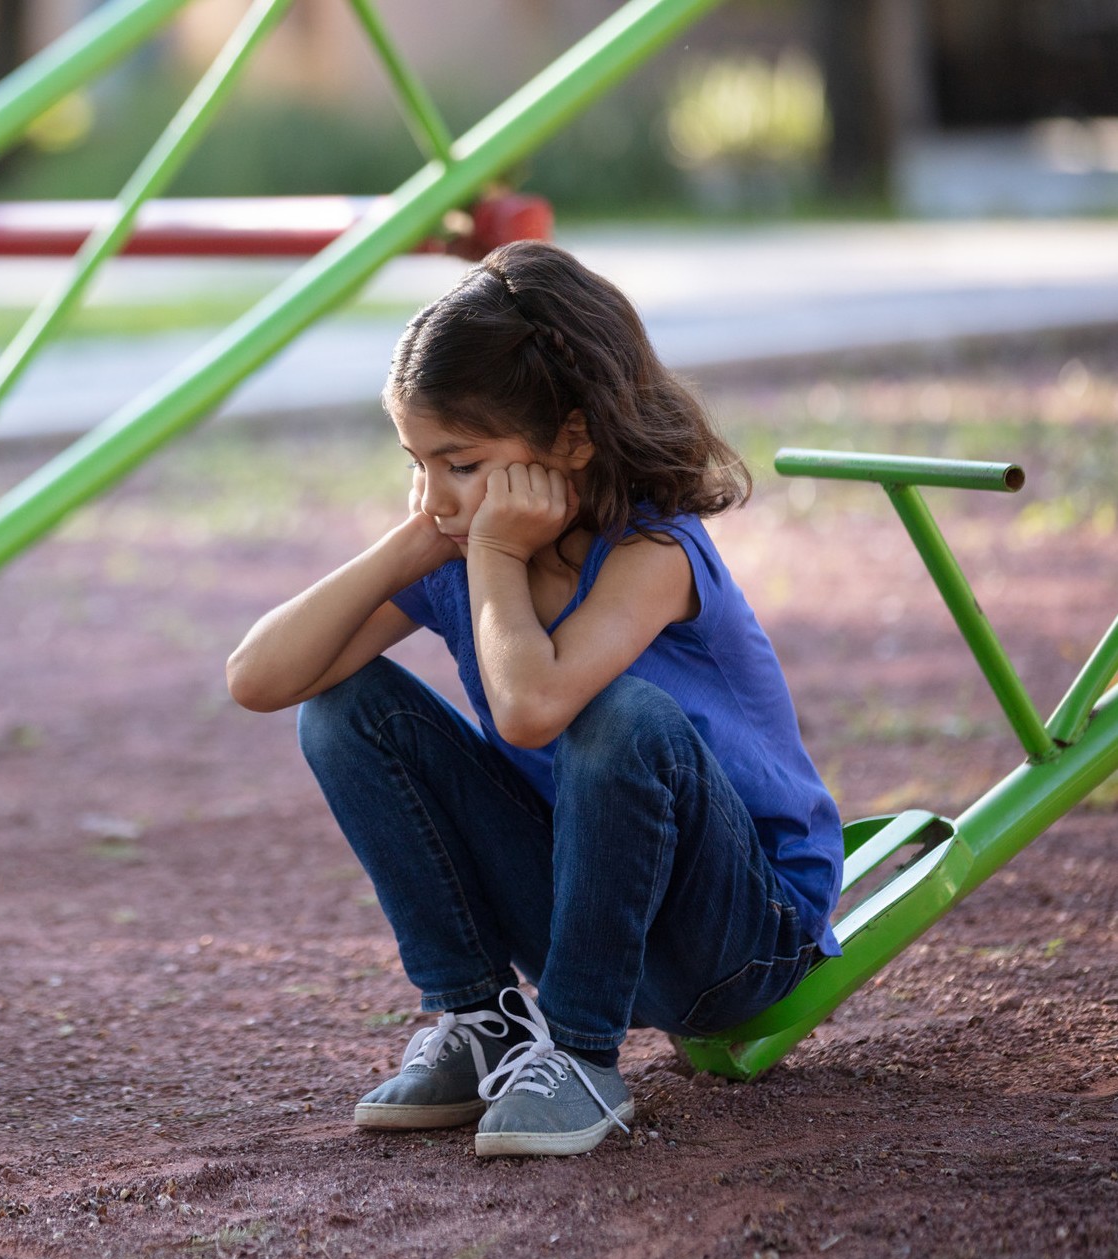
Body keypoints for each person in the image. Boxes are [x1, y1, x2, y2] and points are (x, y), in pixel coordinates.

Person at [226, 241, 845, 1158]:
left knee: (622, 718)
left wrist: (496, 558)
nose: (436, 495)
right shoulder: (454, 550)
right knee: (343, 705)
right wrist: (411, 548)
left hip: (739, 940)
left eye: (461, 464)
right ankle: (484, 1024)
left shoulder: (653, 555)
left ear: (571, 440)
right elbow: (258, 680)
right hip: (584, 909)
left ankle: (585, 1057)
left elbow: (530, 707)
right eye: (417, 461)